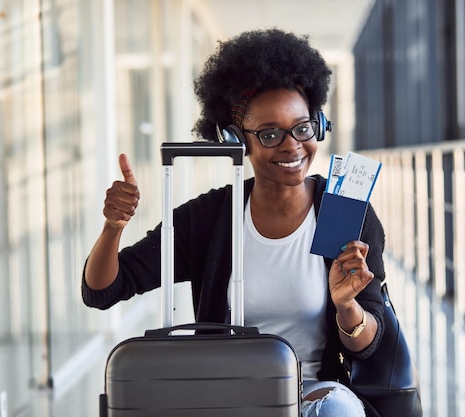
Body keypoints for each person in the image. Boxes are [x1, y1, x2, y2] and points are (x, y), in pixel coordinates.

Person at [82, 28, 386, 417]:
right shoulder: (209, 220)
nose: (292, 145)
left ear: (319, 125)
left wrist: (347, 307)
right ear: (234, 141)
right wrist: (113, 227)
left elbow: (368, 342)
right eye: (270, 133)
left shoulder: (343, 211)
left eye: (303, 127)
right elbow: (103, 289)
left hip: (314, 396)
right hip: (224, 396)